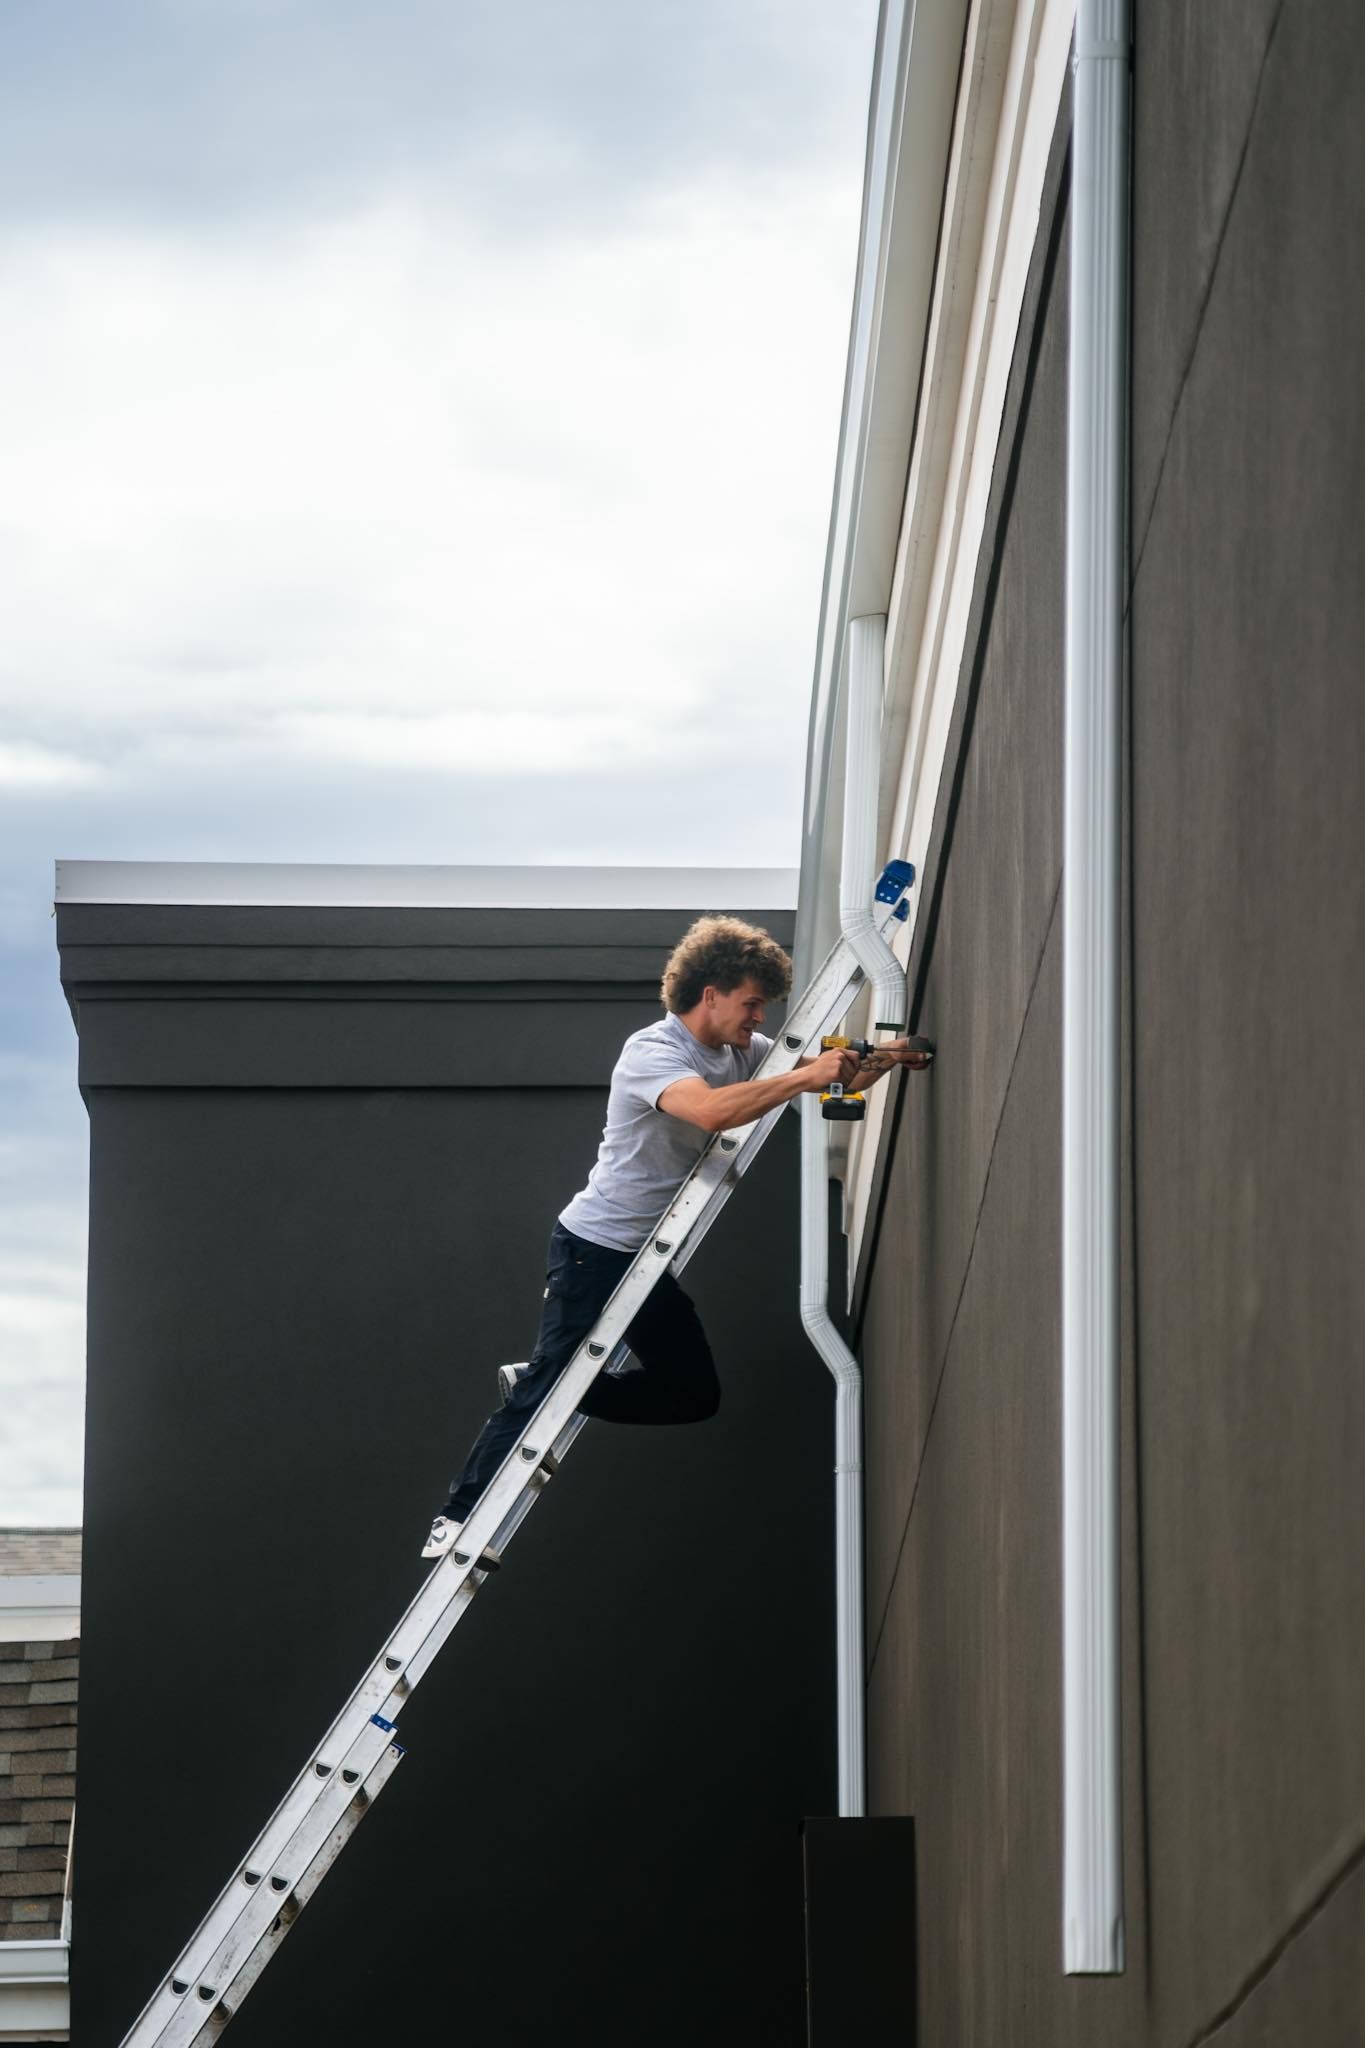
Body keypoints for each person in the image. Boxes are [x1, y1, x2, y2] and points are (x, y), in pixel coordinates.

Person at [422, 913, 931, 1562]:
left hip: (645, 1261)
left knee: (692, 1395)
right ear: (710, 992)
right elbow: (712, 1112)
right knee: (548, 1386)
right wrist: (804, 1076)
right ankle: (456, 1518)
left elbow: (840, 1078)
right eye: (750, 1004)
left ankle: (543, 1381)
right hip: (594, 1248)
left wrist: (889, 1056)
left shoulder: (740, 1053)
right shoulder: (653, 1052)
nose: (757, 1019)